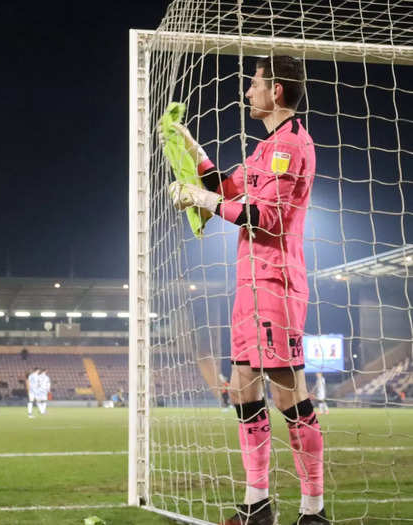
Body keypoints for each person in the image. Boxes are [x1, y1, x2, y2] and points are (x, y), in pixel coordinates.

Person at [167, 56, 325, 525]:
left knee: (287, 397)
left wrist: (203, 200)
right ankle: (257, 506)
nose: (248, 91)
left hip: (276, 284)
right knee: (241, 390)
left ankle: (312, 511)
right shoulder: (263, 149)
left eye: (254, 83)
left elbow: (265, 218)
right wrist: (192, 149)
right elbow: (228, 188)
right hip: (247, 285)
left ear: (276, 90)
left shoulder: (293, 146)